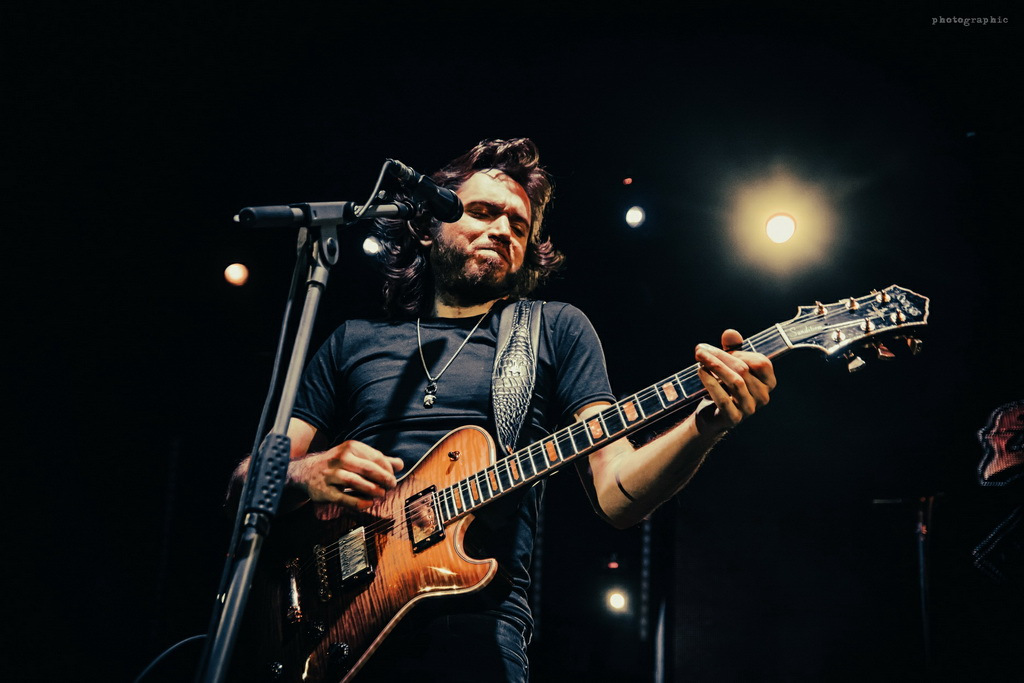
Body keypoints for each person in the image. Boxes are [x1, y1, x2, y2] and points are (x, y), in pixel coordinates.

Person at [232, 137, 776, 682]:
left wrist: (705, 426)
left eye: (519, 225)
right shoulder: (353, 340)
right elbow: (245, 483)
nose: (502, 230)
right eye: (483, 212)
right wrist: (306, 472)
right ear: (426, 227)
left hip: (476, 635)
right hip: (333, 628)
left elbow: (617, 494)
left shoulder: (554, 328)